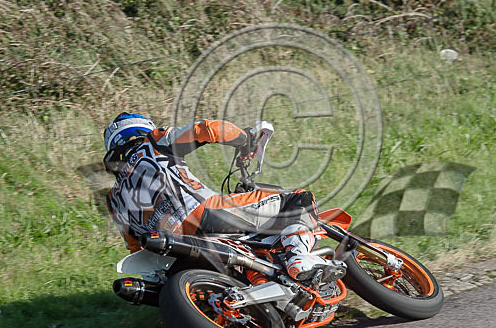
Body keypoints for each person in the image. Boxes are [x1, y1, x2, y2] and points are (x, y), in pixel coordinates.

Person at [103, 112, 341, 282]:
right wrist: (245, 139)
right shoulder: (154, 140)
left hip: (167, 245)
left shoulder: (113, 199)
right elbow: (208, 129)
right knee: (297, 199)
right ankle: (298, 257)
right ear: (142, 129)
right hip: (204, 213)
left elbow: (134, 247)